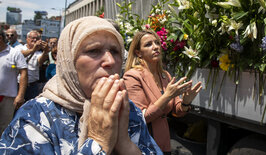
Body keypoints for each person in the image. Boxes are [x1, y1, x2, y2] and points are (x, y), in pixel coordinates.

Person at [0, 16, 162, 154]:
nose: (110, 61)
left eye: (115, 51)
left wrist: (126, 145)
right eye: (93, 51)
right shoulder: (35, 117)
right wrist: (98, 142)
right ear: (69, 60)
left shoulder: (128, 109)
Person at [123, 29, 202, 154]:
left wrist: (186, 102)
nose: (155, 47)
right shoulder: (132, 76)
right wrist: (167, 95)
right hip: (144, 145)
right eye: (148, 44)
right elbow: (141, 118)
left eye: (157, 43)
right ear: (138, 53)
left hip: (164, 143)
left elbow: (176, 112)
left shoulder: (164, 75)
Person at [0, 29, 27, 135]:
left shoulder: (14, 53)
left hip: (7, 99)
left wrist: (20, 95)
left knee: (4, 128)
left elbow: (23, 73)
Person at [20, 30, 49, 101]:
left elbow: (40, 61)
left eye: (37, 38)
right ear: (27, 39)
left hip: (32, 86)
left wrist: (45, 51)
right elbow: (21, 54)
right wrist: (33, 50)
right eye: (32, 38)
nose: (35, 40)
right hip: (18, 84)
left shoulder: (38, 52)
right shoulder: (20, 48)